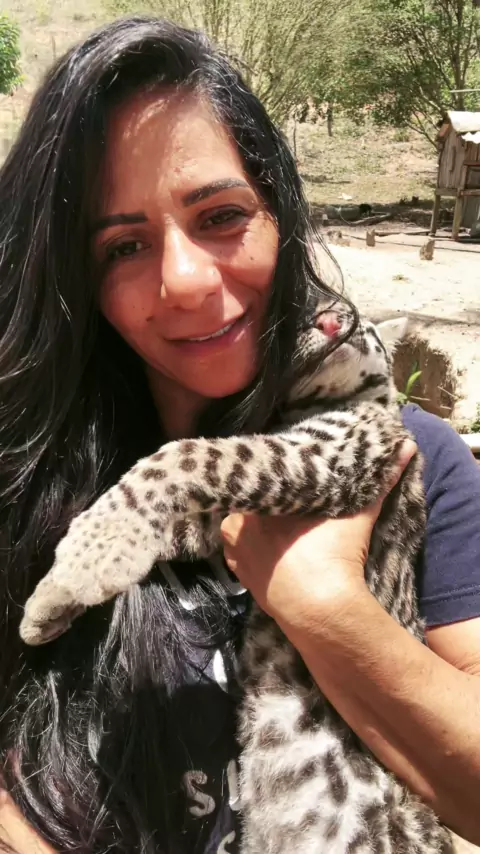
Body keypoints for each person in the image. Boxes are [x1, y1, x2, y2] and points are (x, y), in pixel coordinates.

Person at [0, 17, 479, 854]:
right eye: (124, 245)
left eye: (221, 215)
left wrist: (328, 608)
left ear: (280, 213)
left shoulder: (415, 461)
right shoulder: (26, 468)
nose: (186, 281)